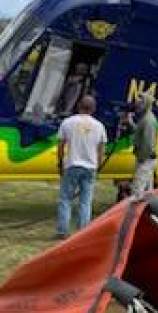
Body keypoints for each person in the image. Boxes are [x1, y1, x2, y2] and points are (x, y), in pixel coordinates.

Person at [56, 94, 108, 238]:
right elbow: (102, 150)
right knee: (86, 201)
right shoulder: (100, 126)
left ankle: (63, 230)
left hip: (72, 164)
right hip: (90, 167)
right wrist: (98, 165)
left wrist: (60, 162)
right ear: (93, 109)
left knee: (65, 199)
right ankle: (83, 232)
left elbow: (60, 146)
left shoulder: (68, 122)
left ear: (79, 106)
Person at [129, 91, 158, 199]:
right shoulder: (146, 118)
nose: (137, 106)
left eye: (139, 104)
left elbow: (148, 145)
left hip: (146, 160)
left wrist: (141, 160)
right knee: (147, 193)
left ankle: (134, 214)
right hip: (147, 160)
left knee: (137, 191)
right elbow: (140, 133)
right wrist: (130, 122)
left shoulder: (148, 121)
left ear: (146, 104)